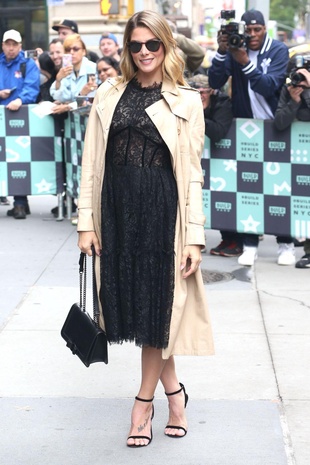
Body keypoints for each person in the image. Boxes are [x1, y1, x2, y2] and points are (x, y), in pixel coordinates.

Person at [77, 10, 214, 447]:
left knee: (156, 313)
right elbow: (90, 164)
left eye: (152, 44)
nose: (143, 52)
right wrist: (85, 224)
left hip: (162, 216)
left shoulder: (187, 100)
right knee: (138, 313)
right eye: (135, 45)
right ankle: (176, 395)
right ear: (127, 49)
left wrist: (194, 235)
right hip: (115, 212)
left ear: (166, 46)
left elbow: (192, 173)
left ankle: (143, 404)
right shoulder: (109, 93)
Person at [208, 9, 293, 266]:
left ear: (264, 28)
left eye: (257, 30)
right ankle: (249, 244)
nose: (253, 35)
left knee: (281, 188)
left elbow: (269, 85)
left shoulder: (277, 50)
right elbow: (214, 81)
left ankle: (285, 244)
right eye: (249, 31)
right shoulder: (235, 50)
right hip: (246, 127)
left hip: (275, 125)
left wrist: (244, 61)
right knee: (248, 187)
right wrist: (223, 52)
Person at [188, 74, 234, 255]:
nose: (200, 95)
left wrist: (197, 114)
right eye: (196, 92)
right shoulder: (189, 103)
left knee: (226, 197)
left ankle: (230, 238)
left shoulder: (222, 103)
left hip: (224, 158)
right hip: (195, 158)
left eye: (204, 92)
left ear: (212, 92)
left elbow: (218, 132)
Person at [0, 29, 40, 219]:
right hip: (1, 119)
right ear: (2, 45)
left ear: (20, 46)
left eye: (14, 44)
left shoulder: (28, 64)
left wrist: (20, 100)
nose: (11, 48)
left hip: (19, 119)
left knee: (19, 160)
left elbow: (33, 88)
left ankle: (20, 203)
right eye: (8, 44)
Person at [274, 67, 310, 269]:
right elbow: (279, 122)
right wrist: (294, 101)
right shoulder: (289, 90)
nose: (298, 80)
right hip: (299, 154)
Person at [50, 34, 97, 111]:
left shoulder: (93, 68)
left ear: (84, 51)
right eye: (68, 49)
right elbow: (60, 97)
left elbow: (91, 100)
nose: (71, 52)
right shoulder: (67, 69)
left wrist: (69, 105)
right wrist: (58, 80)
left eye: (75, 49)